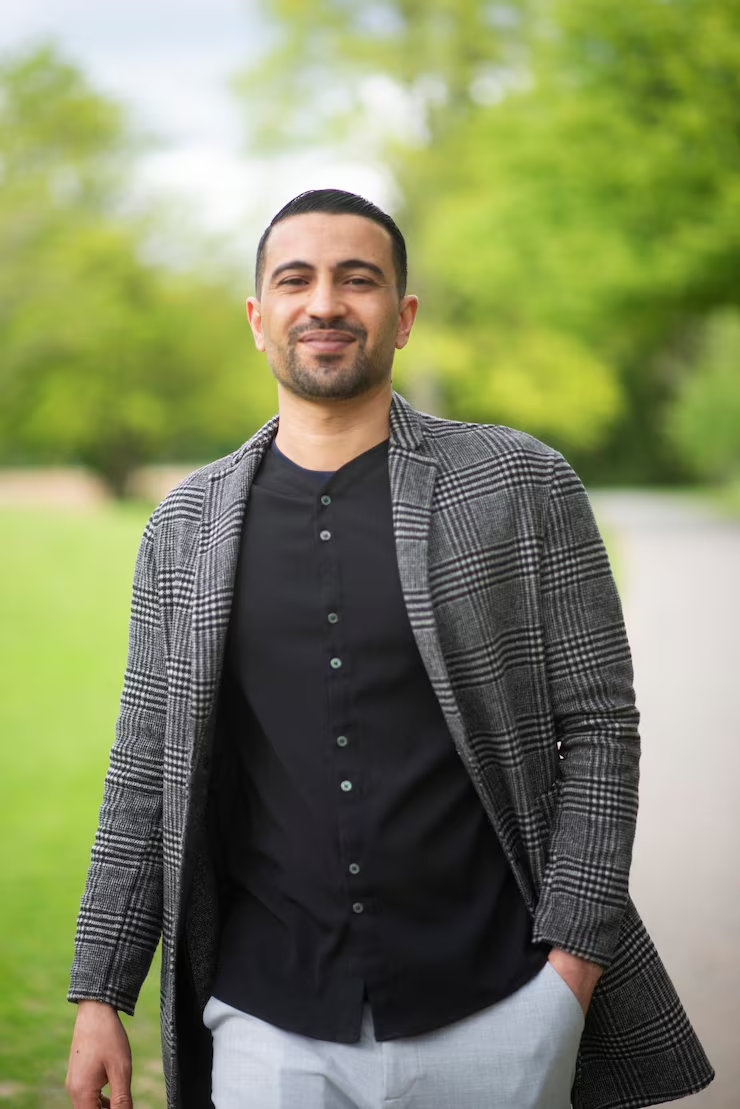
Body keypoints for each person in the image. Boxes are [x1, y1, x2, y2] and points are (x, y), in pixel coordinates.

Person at [66, 189, 713, 1109]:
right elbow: (144, 768)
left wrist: (570, 968)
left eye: (357, 279)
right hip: (267, 1023)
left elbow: (601, 729)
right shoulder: (183, 529)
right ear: (257, 318)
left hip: (499, 1005)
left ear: (403, 317)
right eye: (296, 280)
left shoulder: (522, 485)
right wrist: (100, 991)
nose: (325, 303)